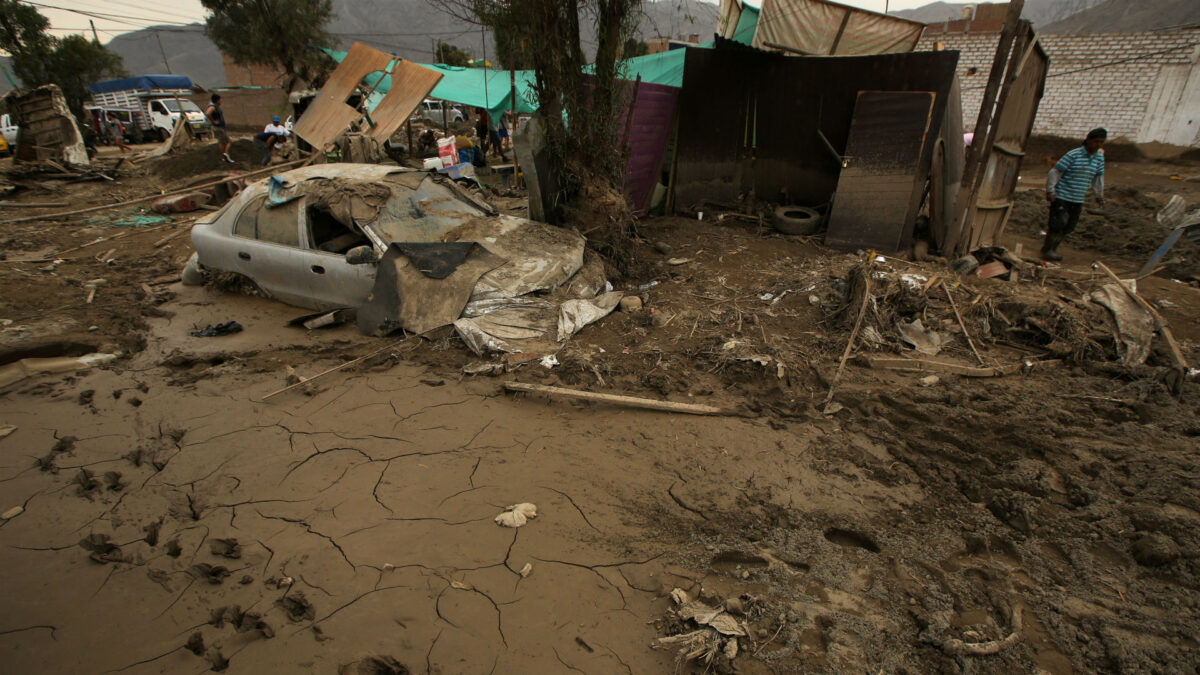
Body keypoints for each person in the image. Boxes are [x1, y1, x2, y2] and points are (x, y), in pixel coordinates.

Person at [1043, 128, 1106, 261]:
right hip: (1062, 196)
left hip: (1077, 199)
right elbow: (1055, 172)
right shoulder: (1074, 155)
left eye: (1101, 142)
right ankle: (1049, 250)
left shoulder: (1099, 158)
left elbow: (1098, 178)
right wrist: (1051, 190)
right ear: (1088, 140)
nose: (1099, 145)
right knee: (1058, 223)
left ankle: (1052, 248)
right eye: (1096, 141)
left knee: (1069, 226)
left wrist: (1099, 196)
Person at [205, 94, 233, 163]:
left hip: (220, 127)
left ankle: (224, 156)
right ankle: (226, 155)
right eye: (220, 100)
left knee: (222, 142)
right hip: (218, 127)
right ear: (217, 100)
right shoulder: (213, 107)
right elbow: (207, 113)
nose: (221, 101)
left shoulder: (215, 107)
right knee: (228, 141)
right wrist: (213, 121)